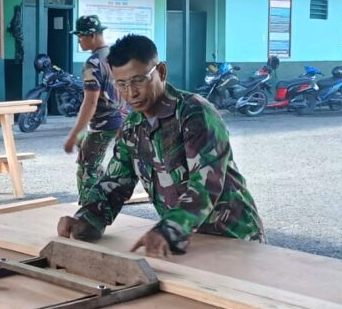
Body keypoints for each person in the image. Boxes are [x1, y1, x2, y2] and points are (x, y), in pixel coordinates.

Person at [57, 34, 264, 256]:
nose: (131, 93)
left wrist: (168, 230)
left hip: (234, 238)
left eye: (138, 80)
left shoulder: (194, 113)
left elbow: (205, 184)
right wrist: (86, 219)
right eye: (121, 84)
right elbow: (115, 184)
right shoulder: (131, 127)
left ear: (161, 72)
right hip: (185, 242)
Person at [63, 15, 123, 205]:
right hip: (123, 121)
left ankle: (88, 213)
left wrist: (74, 134)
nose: (78, 40)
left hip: (103, 124)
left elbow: (90, 102)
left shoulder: (93, 63)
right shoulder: (117, 57)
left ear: (92, 35)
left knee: (86, 168)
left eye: (80, 36)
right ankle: (103, 196)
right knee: (93, 156)